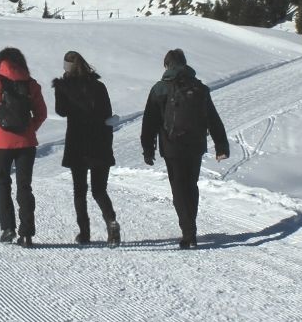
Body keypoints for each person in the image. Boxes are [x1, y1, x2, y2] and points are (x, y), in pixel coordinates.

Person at [140, 48, 229, 249]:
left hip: (172, 146)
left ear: (167, 65)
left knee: (178, 188)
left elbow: (149, 122)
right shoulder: (199, 87)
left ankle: (188, 233)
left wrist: (148, 148)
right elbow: (213, 118)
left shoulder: (159, 89)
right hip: (196, 144)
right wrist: (221, 145)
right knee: (191, 185)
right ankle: (191, 228)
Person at [0, 47, 48, 246]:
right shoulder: (31, 84)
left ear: (0, 63)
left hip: (1, 141)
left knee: (3, 184)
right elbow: (42, 113)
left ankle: (8, 228)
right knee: (25, 186)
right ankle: (27, 233)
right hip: (26, 142)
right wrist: (31, 128)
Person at [53, 50, 120, 246]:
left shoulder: (64, 87)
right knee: (99, 190)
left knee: (79, 190)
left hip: (77, 144)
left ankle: (84, 233)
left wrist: (63, 87)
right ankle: (112, 222)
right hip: (100, 142)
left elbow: (61, 111)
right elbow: (107, 112)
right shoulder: (99, 86)